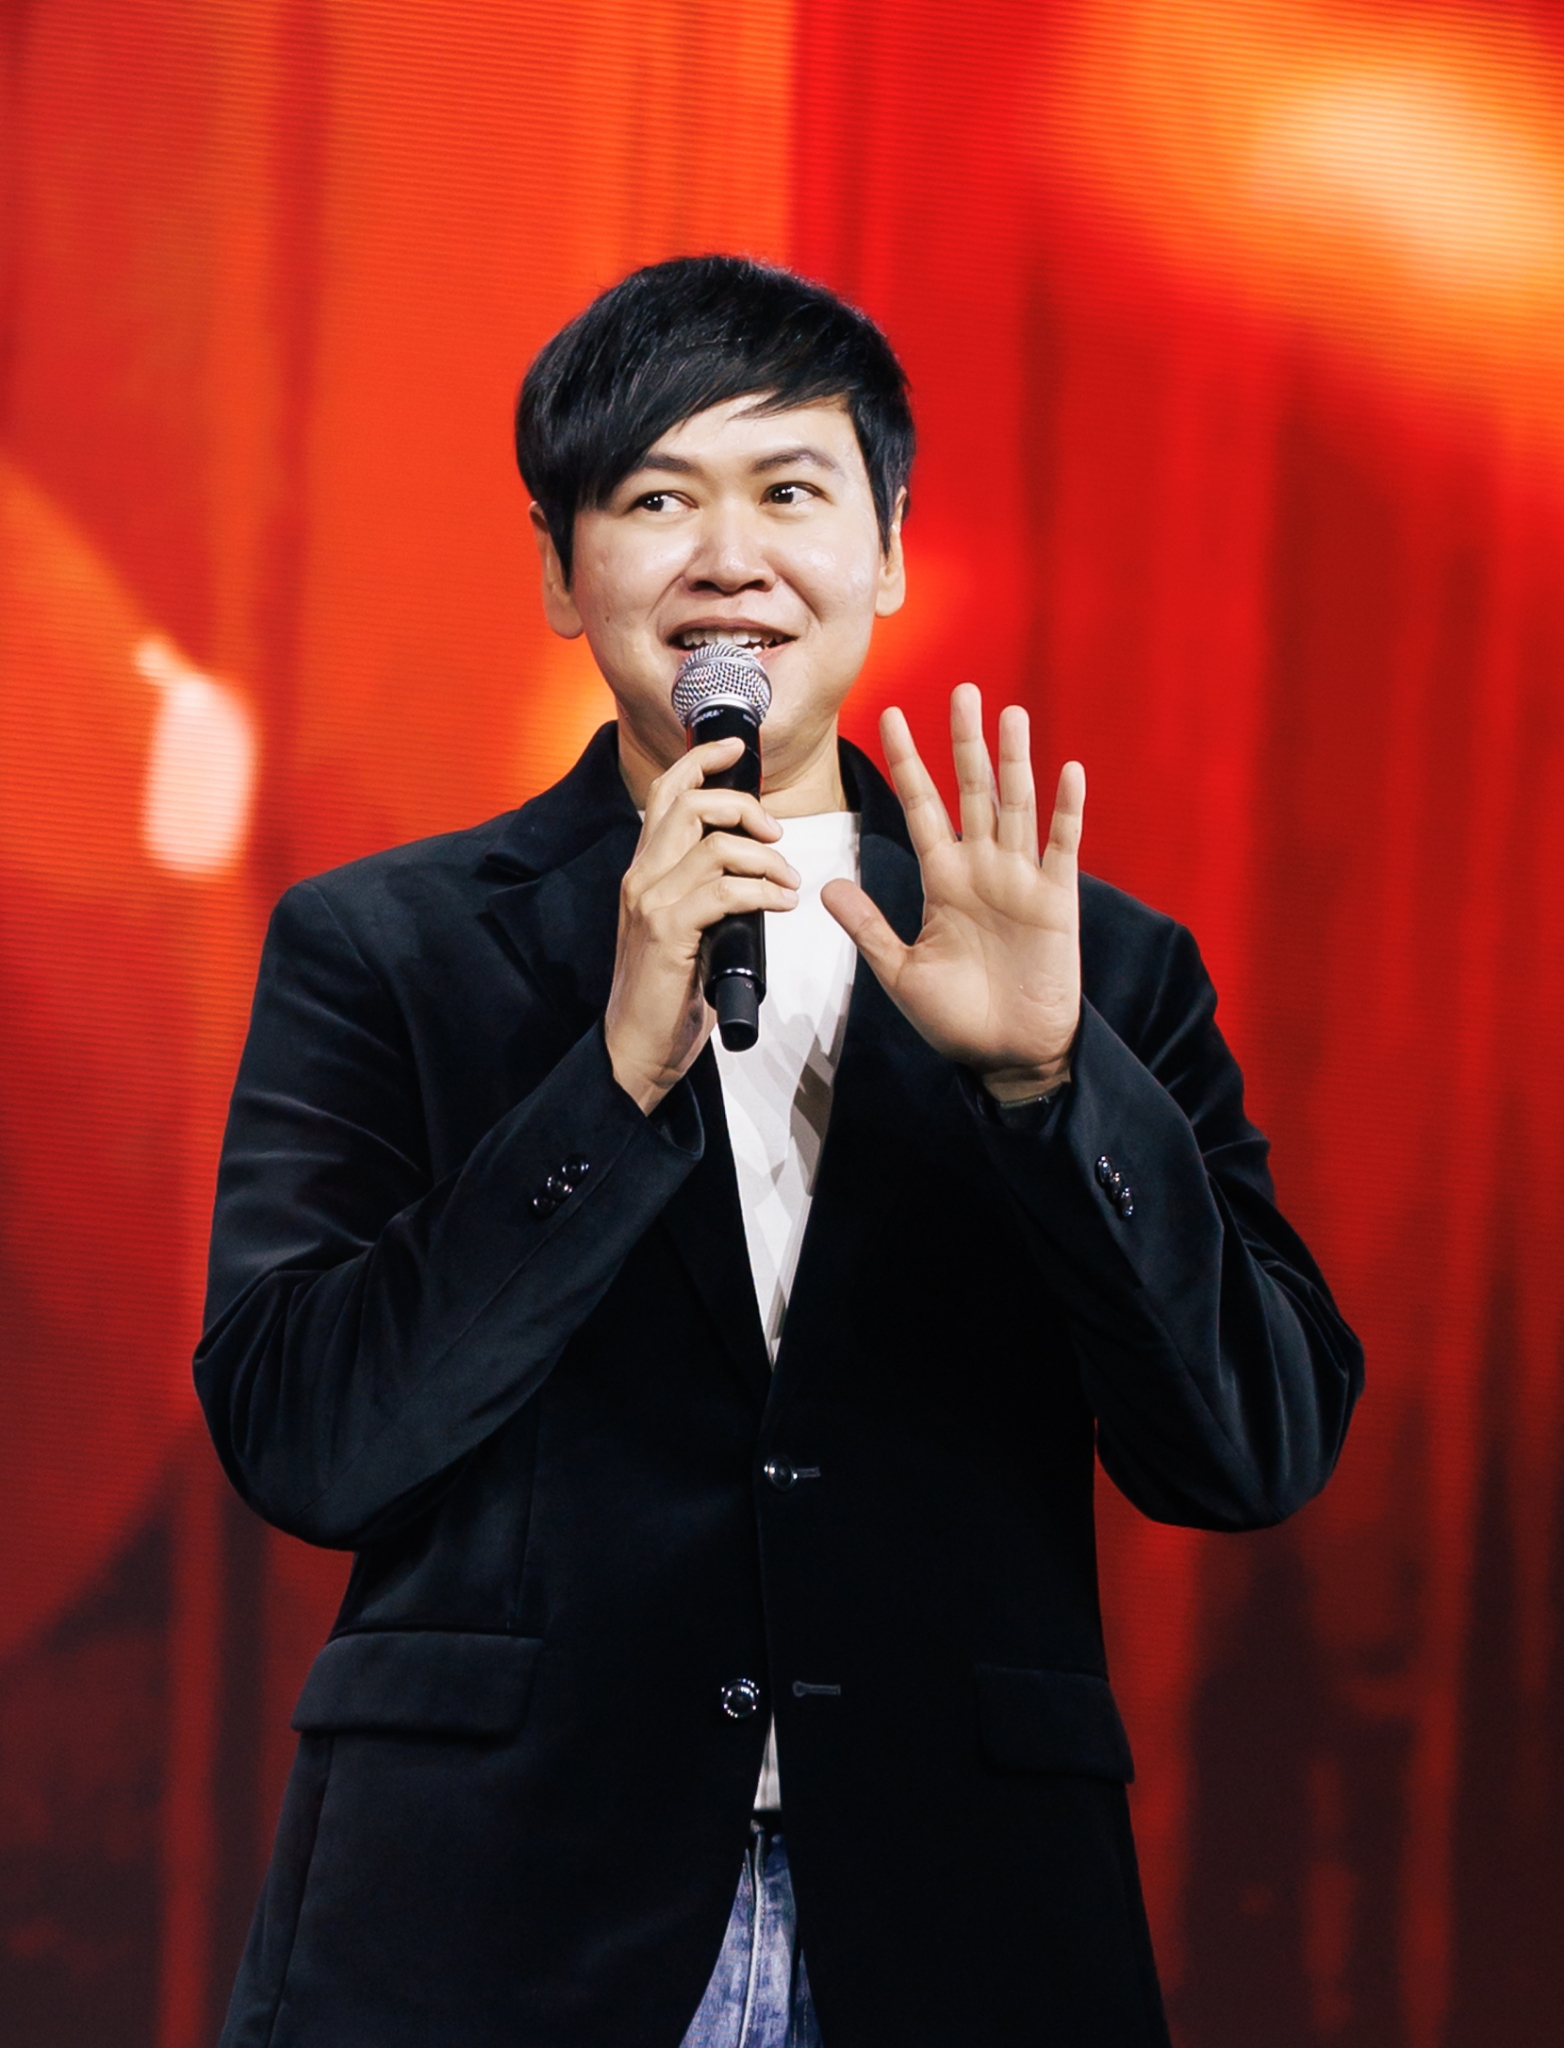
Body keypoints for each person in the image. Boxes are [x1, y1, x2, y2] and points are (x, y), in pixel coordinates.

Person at [196, 255, 1364, 2048]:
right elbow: (306, 1439)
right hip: (490, 1920)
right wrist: (607, 1082)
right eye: (657, 498)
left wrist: (1053, 1090)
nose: (728, 557)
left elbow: (1253, 1448)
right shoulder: (386, 947)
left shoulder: (1094, 968)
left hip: (962, 1919)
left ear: (887, 552)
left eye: (792, 493)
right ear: (561, 568)